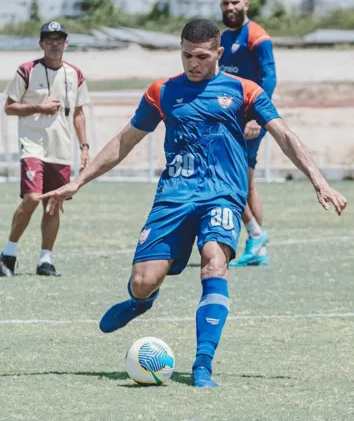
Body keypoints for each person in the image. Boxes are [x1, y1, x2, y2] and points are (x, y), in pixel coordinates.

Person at [41, 19, 347, 388]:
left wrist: (319, 181)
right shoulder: (163, 91)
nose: (193, 63)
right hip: (174, 196)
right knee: (141, 281)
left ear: (218, 53)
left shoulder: (243, 90)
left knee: (214, 264)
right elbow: (125, 141)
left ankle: (203, 364)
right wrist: (78, 181)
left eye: (202, 56)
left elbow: (284, 134)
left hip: (222, 195)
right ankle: (141, 302)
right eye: (187, 55)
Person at [0, 21, 90, 278]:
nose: (55, 44)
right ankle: (9, 252)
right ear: (41, 44)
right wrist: (38, 107)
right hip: (33, 144)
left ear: (66, 43)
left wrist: (84, 147)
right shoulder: (26, 70)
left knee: (53, 203)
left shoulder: (76, 74)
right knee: (32, 198)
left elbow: (79, 113)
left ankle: (44, 260)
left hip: (61, 147)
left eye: (59, 39)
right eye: (49, 39)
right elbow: (9, 106)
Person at [219, 0, 277, 266]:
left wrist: (257, 118)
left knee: (229, 179)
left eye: (235, 3)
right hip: (230, 119)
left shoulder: (257, 36)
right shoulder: (223, 37)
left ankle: (255, 233)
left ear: (246, 5)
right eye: (225, 3)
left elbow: (269, 78)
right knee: (247, 182)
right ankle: (259, 249)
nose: (230, 7)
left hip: (249, 122)